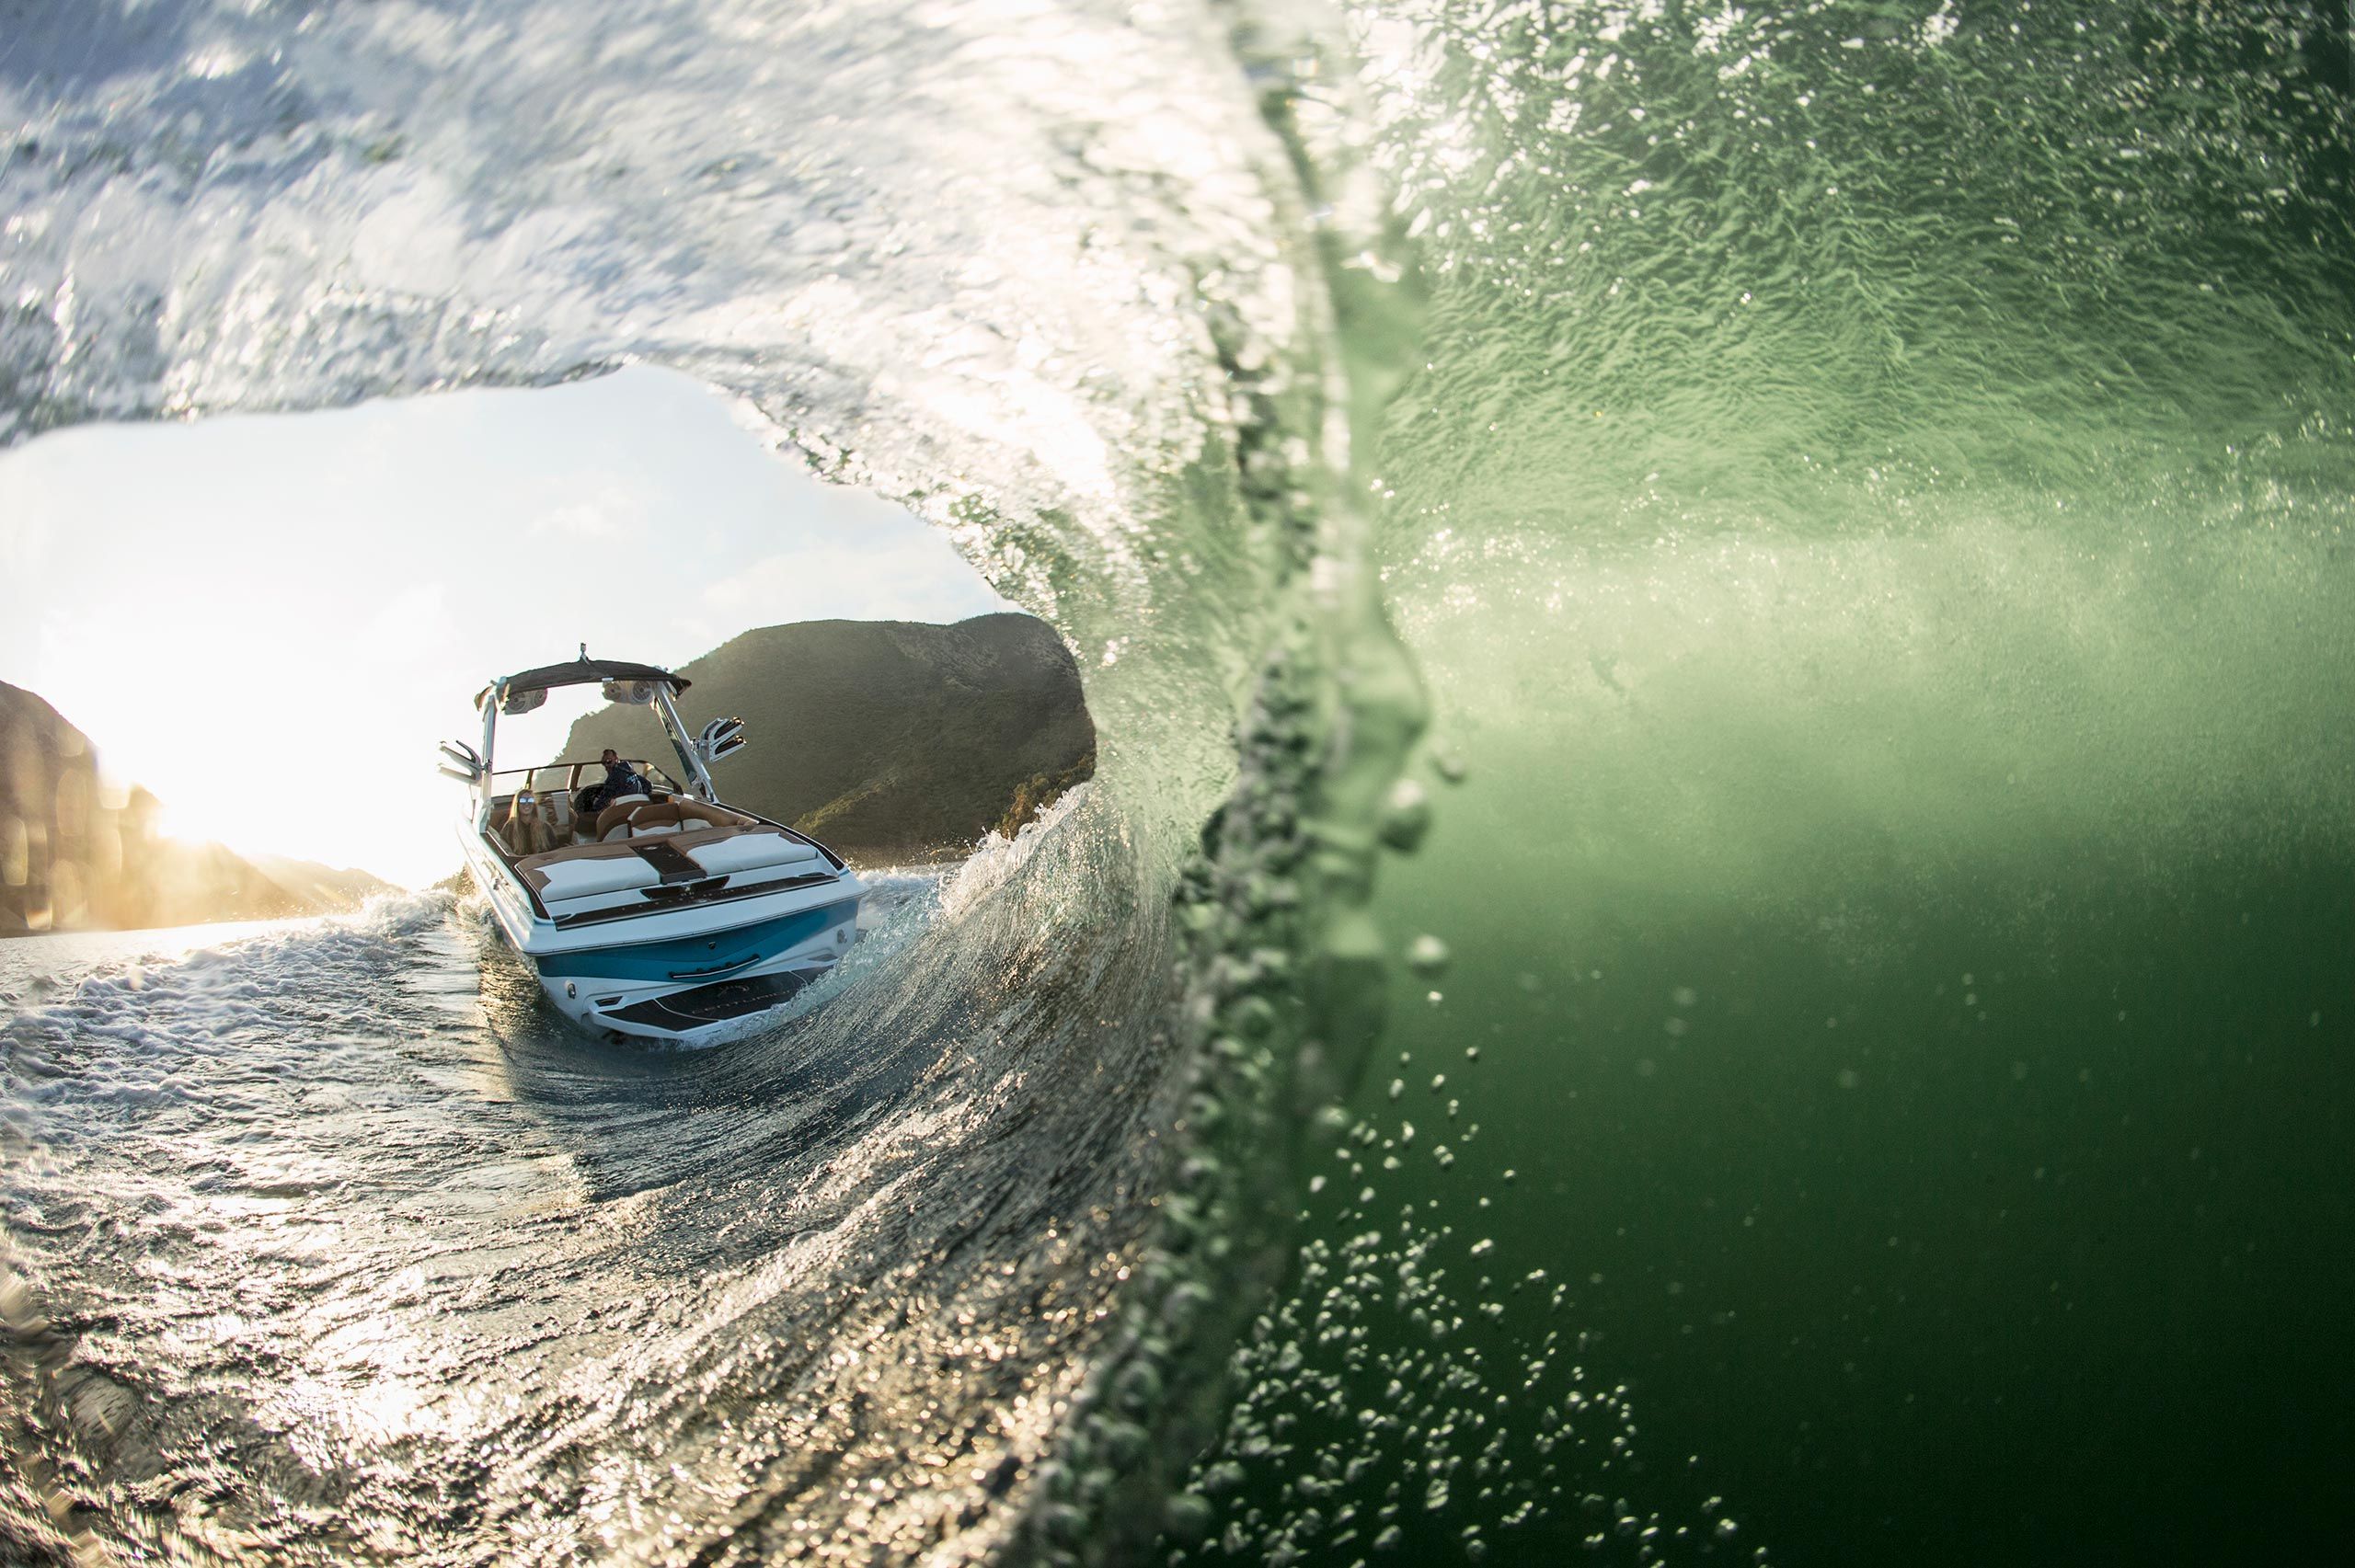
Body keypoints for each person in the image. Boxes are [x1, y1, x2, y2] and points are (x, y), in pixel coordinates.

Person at [577, 749, 649, 818]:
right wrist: (638, 796)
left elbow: (601, 802)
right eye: (604, 763)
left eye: (609, 761)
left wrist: (596, 803)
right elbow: (648, 786)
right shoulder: (631, 773)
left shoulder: (614, 776)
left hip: (619, 815)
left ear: (616, 759)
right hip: (637, 813)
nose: (606, 766)